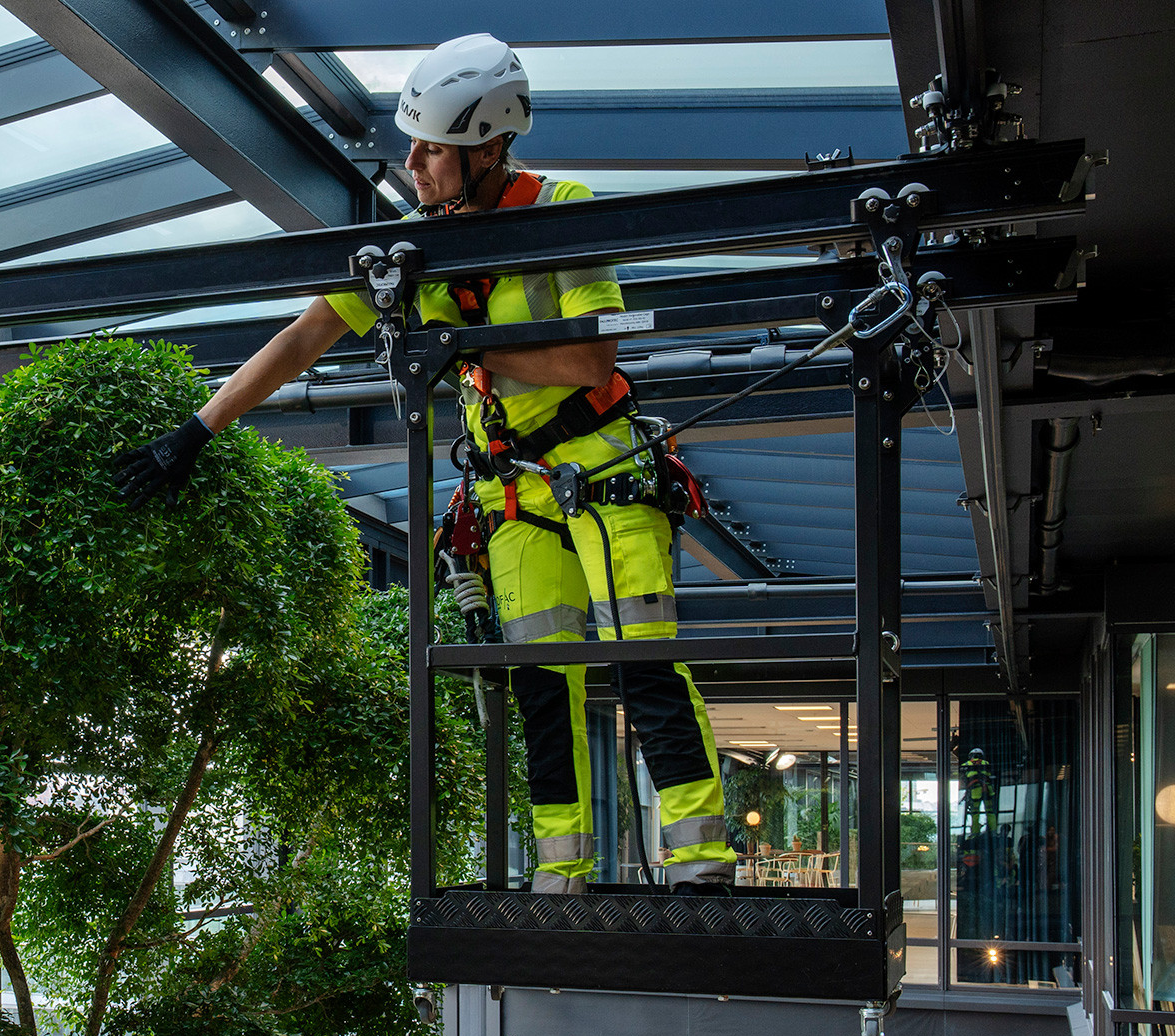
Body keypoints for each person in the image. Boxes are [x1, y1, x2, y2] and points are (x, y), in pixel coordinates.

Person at [112, 34, 734, 895]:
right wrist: (195, 431)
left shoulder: (565, 211)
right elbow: (305, 336)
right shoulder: (411, 249)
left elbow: (594, 363)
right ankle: (563, 878)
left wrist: (464, 350)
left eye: (433, 147)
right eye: (414, 143)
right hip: (510, 495)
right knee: (539, 690)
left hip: (603, 472)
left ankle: (702, 864)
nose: (413, 164)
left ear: (490, 147)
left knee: (643, 666)